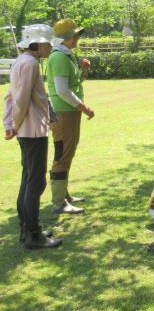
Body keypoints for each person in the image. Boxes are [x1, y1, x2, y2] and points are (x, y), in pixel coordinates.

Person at [3, 24, 63, 249]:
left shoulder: (22, 61)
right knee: (35, 182)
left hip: (27, 129)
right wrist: (15, 124)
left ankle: (26, 229)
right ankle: (32, 233)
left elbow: (11, 96)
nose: (50, 47)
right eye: (48, 42)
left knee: (28, 179)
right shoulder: (29, 64)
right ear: (38, 43)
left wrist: (10, 123)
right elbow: (19, 99)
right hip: (32, 130)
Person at [47, 19, 95, 215]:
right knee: (63, 154)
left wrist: (84, 70)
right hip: (63, 111)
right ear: (64, 37)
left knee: (67, 152)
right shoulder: (59, 57)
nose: (76, 38)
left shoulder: (66, 55)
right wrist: (85, 108)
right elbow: (62, 91)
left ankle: (63, 195)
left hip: (68, 111)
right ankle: (58, 203)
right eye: (73, 35)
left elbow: (74, 84)